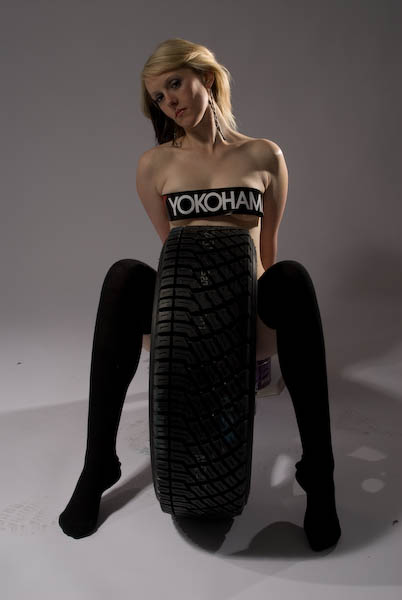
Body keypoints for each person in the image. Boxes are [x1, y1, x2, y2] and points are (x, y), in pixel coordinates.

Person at [59, 38, 341, 552]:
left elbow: (267, 251)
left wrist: (258, 347)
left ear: (205, 78)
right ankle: (97, 464)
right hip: (186, 312)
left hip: (248, 310)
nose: (170, 102)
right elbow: (173, 250)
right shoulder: (154, 165)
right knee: (124, 276)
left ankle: (319, 475)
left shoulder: (264, 155)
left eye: (175, 84)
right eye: (159, 97)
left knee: (293, 277)